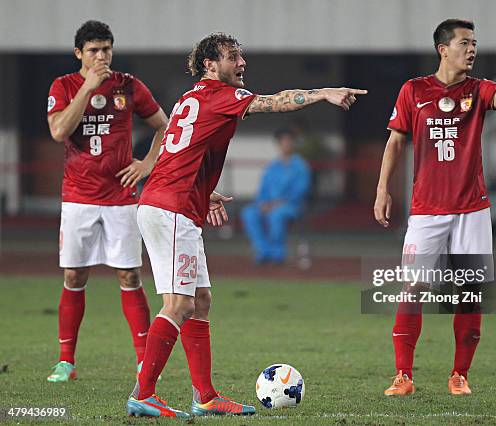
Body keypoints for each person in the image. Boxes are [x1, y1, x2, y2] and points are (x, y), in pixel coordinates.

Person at [127, 32, 366, 418]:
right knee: (179, 303)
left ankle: (204, 396)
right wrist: (323, 92)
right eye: (233, 57)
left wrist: (203, 192)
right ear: (210, 65)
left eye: (242, 57)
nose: (242, 64)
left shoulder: (191, 98)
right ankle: (143, 393)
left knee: (200, 301)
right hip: (169, 208)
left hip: (174, 203)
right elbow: (274, 102)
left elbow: (180, 154)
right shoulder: (220, 96)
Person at [374, 19, 496, 396]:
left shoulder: (477, 90)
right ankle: (403, 376)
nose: (472, 50)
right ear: (443, 49)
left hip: (472, 211)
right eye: (465, 43)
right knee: (412, 287)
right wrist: (383, 189)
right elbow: (395, 142)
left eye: (475, 43)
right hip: (426, 211)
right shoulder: (413, 91)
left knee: (469, 291)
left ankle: (459, 375)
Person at [46, 20, 168, 382]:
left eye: (106, 49)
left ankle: (144, 362)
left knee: (130, 275)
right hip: (78, 197)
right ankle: (66, 362)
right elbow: (58, 131)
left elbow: (163, 124)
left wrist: (146, 164)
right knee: (73, 274)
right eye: (94, 50)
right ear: (78, 54)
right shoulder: (65, 86)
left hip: (121, 197)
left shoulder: (129, 86)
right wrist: (87, 87)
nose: (101, 56)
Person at [241, 128, 311, 264]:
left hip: (291, 206)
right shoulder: (272, 167)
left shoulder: (300, 166)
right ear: (278, 144)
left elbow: (301, 190)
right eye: (283, 142)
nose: (286, 144)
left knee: (276, 215)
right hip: (269, 205)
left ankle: (278, 253)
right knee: (249, 213)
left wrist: (276, 204)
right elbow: (263, 190)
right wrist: (262, 204)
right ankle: (263, 251)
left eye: (288, 142)